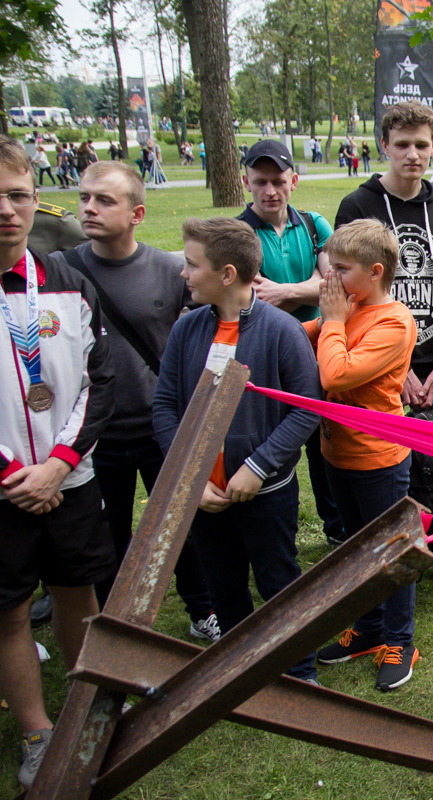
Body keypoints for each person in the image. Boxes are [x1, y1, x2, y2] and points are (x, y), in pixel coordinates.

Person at [51, 162, 217, 641]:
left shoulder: (170, 270)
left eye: (105, 200)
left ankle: (202, 607)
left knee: (180, 523)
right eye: (84, 198)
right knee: (107, 538)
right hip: (92, 436)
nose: (89, 208)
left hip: (161, 427)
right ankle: (113, 626)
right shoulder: (62, 270)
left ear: (137, 212)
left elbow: (197, 344)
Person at [152, 217, 321, 683]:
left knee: (277, 578)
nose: (183, 274)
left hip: (266, 494)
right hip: (204, 494)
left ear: (227, 274)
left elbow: (307, 410)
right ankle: (236, 667)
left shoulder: (283, 332)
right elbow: (165, 406)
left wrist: (259, 466)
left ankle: (298, 669)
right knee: (222, 583)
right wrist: (191, 475)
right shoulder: (186, 331)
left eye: (191, 264)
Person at [0, 134, 115, 790]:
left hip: (70, 477)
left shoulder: (70, 284)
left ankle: (87, 704)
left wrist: (60, 460)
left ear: (35, 199)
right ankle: (38, 730)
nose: (7, 210)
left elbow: (100, 380)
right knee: (11, 611)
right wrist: (15, 474)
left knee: (79, 593)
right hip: (6, 491)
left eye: (17, 195)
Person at [334, 101, 433, 586]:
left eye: (423, 145)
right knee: (392, 466)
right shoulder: (358, 206)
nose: (413, 155)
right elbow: (346, 289)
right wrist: (401, 366)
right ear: (384, 146)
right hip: (383, 363)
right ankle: (393, 557)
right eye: (402, 145)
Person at [309, 220, 422, 690]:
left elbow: (335, 374)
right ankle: (370, 629)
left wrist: (331, 321)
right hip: (337, 455)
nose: (328, 279)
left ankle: (400, 638)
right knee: (357, 551)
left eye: (340, 269)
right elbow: (301, 338)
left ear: (375, 272)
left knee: (392, 553)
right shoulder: (350, 306)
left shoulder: (393, 323)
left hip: (379, 462)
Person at [236, 139, 345, 547]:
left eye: (278, 181)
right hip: (262, 359)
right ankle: (274, 538)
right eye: (260, 181)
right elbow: (248, 296)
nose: (270, 191)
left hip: (316, 353)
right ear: (246, 182)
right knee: (272, 445)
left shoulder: (314, 224)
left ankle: (336, 528)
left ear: (293, 181)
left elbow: (336, 285)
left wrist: (285, 292)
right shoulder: (238, 234)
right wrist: (309, 289)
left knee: (323, 443)